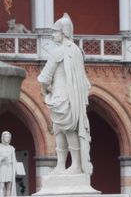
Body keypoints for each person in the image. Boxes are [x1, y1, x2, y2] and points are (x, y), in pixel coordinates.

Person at [37, 14, 92, 176]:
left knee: (64, 130)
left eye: (55, 32)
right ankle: (65, 165)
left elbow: (45, 77)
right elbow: (84, 78)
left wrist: (45, 90)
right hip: (72, 96)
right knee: (64, 129)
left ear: (63, 33)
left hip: (60, 96)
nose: (53, 34)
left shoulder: (58, 52)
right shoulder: (77, 51)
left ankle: (71, 165)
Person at [0, 131, 18, 197]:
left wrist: (14, 162)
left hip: (9, 168)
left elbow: (14, 159)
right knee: (1, 185)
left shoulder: (11, 148)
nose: (7, 138)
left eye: (8, 137)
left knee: (9, 186)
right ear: (2, 137)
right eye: (6, 137)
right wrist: (1, 159)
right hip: (1, 168)